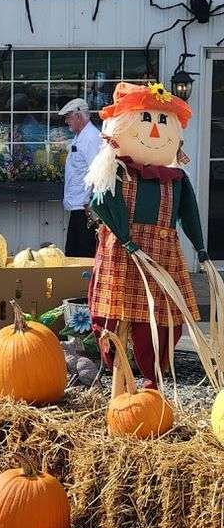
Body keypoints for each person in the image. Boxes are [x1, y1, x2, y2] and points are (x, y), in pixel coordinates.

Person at [87, 81, 207, 388]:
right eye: (146, 120)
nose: (155, 131)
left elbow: (189, 214)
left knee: (162, 318)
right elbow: (102, 203)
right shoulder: (116, 172)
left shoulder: (177, 179)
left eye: (163, 122)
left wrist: (201, 249)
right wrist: (126, 238)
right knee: (117, 318)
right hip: (124, 253)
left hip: (163, 254)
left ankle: (154, 377)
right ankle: (120, 382)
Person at [59, 98, 103, 257]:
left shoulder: (92, 138)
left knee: (84, 255)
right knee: (72, 253)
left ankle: (84, 282)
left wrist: (92, 203)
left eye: (68, 117)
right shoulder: (81, 137)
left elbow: (98, 172)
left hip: (85, 209)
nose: (66, 121)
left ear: (79, 116)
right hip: (77, 206)